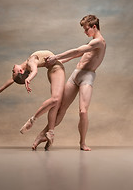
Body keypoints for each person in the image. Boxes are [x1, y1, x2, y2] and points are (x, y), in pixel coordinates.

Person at [32, 15, 106, 151]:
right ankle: (43, 134)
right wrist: (59, 62)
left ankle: (82, 143)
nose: (85, 32)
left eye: (86, 29)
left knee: (83, 111)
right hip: (76, 74)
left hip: (87, 77)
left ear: (94, 27)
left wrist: (56, 56)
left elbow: (77, 50)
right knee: (60, 107)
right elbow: (78, 55)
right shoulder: (92, 42)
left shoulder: (99, 42)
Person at [0, 50, 67, 149]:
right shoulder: (30, 62)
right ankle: (33, 120)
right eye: (13, 72)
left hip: (54, 69)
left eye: (12, 72)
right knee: (55, 100)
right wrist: (29, 78)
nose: (12, 70)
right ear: (21, 71)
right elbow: (34, 71)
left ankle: (50, 132)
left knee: (55, 103)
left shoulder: (26, 64)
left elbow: (13, 79)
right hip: (56, 69)